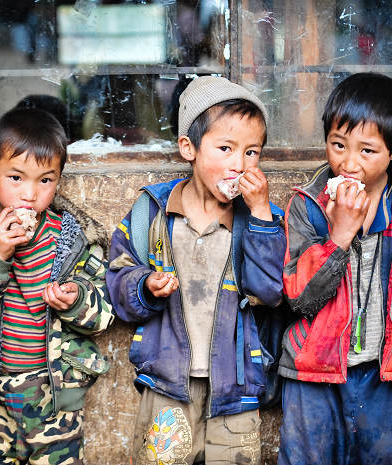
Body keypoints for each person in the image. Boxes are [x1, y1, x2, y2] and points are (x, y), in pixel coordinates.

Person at [278, 72, 392, 465]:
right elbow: (300, 298)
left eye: (367, 150)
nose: (348, 163)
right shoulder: (308, 205)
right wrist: (340, 235)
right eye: (338, 145)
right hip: (314, 378)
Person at [106, 76, 285, 465]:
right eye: (226, 148)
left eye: (252, 152)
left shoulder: (261, 220)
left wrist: (260, 215)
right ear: (188, 147)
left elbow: (269, 292)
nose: (239, 165)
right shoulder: (152, 213)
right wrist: (145, 286)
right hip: (167, 385)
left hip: (236, 390)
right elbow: (117, 277)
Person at [0, 107, 114, 464]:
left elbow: (104, 315)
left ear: (59, 179)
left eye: (45, 180)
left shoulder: (74, 240)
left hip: (54, 400)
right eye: (16, 177)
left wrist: (76, 300)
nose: (29, 194)